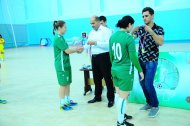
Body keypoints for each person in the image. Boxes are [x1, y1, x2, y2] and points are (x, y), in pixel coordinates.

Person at [109, 16, 144, 126]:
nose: (132, 27)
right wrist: (140, 70)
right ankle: (120, 122)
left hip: (114, 69)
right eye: (132, 25)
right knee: (123, 97)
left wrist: (114, 66)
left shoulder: (112, 36)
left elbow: (111, 55)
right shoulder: (128, 38)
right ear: (129, 24)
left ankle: (121, 118)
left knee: (118, 95)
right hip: (125, 71)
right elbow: (133, 57)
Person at [131, 7, 164, 118]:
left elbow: (160, 42)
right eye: (143, 16)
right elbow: (130, 39)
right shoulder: (141, 29)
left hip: (151, 60)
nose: (144, 18)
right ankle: (149, 103)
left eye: (146, 16)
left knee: (148, 84)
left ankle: (155, 106)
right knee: (142, 84)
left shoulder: (159, 28)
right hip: (140, 60)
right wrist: (132, 31)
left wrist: (151, 31)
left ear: (152, 16)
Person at [53, 20, 84, 111]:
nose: (66, 29)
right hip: (61, 65)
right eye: (65, 27)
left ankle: (67, 100)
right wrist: (77, 49)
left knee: (67, 83)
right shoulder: (58, 38)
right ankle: (62, 104)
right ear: (59, 28)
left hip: (66, 64)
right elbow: (67, 51)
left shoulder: (62, 37)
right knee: (63, 84)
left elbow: (68, 50)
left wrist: (77, 50)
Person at [86, 16, 115, 108]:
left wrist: (96, 43)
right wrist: (81, 49)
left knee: (107, 79)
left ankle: (111, 99)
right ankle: (97, 96)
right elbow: (88, 44)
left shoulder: (106, 31)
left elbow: (109, 45)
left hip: (104, 57)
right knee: (96, 78)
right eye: (91, 23)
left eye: (93, 23)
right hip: (94, 57)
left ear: (98, 22)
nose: (92, 25)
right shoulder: (91, 32)